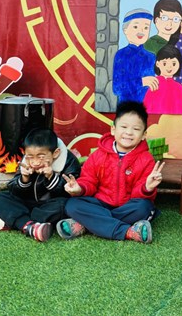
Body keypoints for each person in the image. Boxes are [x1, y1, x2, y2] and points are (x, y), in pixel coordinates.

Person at [58, 101, 164, 244]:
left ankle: (88, 224)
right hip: (101, 203)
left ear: (144, 134)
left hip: (128, 206)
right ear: (113, 129)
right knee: (72, 205)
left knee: (144, 207)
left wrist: (147, 187)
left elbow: (138, 196)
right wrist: (79, 188)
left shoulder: (146, 159)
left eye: (136, 129)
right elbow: (89, 180)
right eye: (124, 127)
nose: (129, 132)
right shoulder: (98, 155)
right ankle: (128, 232)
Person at [0, 128, 81, 242]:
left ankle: (16, 221)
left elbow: (69, 193)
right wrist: (24, 179)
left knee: (64, 205)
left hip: (50, 206)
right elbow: (13, 190)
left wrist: (51, 177)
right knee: (0, 198)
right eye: (30, 157)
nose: (35, 162)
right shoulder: (26, 160)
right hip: (28, 202)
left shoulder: (69, 162)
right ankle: (30, 226)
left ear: (55, 153)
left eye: (41, 157)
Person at [112, 9, 158, 104]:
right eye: (136, 27)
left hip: (148, 106)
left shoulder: (151, 57)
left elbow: (154, 87)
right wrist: (141, 82)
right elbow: (117, 88)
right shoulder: (121, 55)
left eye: (146, 28)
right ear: (125, 30)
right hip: (127, 105)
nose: (141, 31)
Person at [143, 44, 182, 114]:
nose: (169, 67)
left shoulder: (179, 88)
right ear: (157, 64)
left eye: (174, 64)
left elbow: (181, 111)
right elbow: (146, 108)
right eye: (164, 63)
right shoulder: (153, 83)